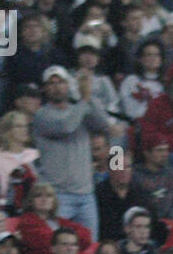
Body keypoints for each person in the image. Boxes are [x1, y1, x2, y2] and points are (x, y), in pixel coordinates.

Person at [31, 65, 113, 239]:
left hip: (86, 194)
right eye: (51, 83)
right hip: (57, 195)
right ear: (44, 88)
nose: (57, 87)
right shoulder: (41, 115)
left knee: (90, 248)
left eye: (61, 82)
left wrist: (89, 98)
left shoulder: (79, 110)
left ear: (68, 86)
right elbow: (66, 127)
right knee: (57, 248)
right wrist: (84, 100)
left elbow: (104, 126)